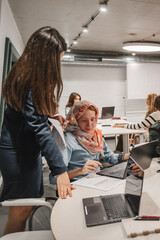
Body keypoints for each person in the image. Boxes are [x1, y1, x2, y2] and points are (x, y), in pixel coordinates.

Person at [0, 26, 73, 235]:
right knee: (20, 210)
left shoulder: (25, 74)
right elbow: (40, 129)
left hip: (22, 149)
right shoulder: (29, 81)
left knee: (27, 206)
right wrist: (60, 170)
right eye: (57, 58)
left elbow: (31, 115)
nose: (58, 64)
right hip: (17, 153)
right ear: (45, 57)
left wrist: (50, 115)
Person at [50, 101, 129, 183]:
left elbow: (110, 157)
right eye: (84, 120)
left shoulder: (96, 135)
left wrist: (125, 157)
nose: (90, 124)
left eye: (93, 119)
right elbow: (54, 178)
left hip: (97, 180)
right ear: (75, 121)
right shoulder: (68, 140)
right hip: (78, 183)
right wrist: (80, 171)